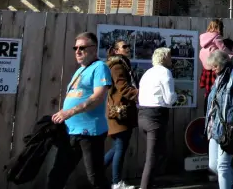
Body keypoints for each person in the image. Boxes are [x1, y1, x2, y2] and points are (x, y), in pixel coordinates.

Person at [47, 32, 112, 189]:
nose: (77, 51)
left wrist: (69, 112)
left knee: (95, 178)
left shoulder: (100, 67)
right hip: (71, 132)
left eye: (82, 47)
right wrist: (62, 114)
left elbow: (97, 98)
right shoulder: (80, 70)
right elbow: (75, 97)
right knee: (57, 174)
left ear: (94, 48)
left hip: (90, 133)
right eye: (75, 48)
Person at [205, 49, 233, 189]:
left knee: (223, 165)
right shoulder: (218, 78)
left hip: (230, 129)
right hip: (215, 128)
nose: (213, 69)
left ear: (223, 63)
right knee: (214, 166)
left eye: (215, 65)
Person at [138, 47, 176, 189]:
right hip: (156, 116)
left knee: (159, 152)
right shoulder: (165, 73)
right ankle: (145, 186)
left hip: (142, 114)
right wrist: (177, 96)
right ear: (165, 58)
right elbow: (170, 99)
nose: (172, 59)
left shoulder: (147, 73)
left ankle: (152, 182)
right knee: (152, 157)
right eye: (170, 57)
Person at [104, 39, 139, 189]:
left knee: (118, 147)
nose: (128, 48)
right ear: (116, 51)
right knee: (120, 148)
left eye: (128, 46)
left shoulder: (124, 64)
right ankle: (116, 183)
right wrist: (143, 94)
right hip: (119, 113)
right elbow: (123, 88)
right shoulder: (117, 66)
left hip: (123, 111)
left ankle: (96, 173)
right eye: (124, 46)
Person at [200, 19, 233, 113]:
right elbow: (222, 48)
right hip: (215, 65)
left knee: (208, 90)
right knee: (217, 88)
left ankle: (206, 107)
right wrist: (230, 55)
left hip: (206, 67)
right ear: (219, 27)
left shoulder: (204, 38)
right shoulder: (216, 36)